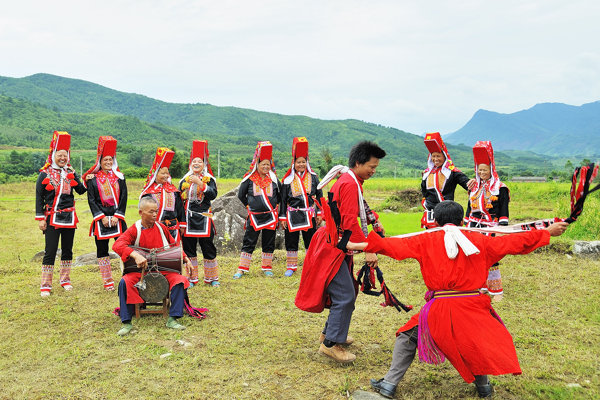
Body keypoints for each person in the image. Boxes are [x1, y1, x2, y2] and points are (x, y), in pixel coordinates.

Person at [344, 201, 568, 398]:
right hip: (474, 307)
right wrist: (546, 232)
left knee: (407, 337)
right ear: (461, 219)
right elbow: (515, 242)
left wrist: (354, 246)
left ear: (436, 221)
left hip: (440, 309)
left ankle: (390, 384)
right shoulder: (481, 241)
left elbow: (390, 245)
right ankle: (484, 387)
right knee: (474, 342)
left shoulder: (425, 240)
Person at [295, 141, 387, 363]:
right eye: (371, 167)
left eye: (376, 167)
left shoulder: (352, 180)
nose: (373, 171)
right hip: (332, 246)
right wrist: (369, 248)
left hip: (333, 242)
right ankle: (330, 345)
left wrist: (370, 231)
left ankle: (330, 333)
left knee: (346, 292)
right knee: (345, 295)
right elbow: (348, 223)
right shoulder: (348, 183)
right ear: (358, 163)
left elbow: (356, 213)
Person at [112, 196, 193, 336]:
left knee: (180, 280)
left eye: (156, 211)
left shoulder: (161, 227)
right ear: (140, 212)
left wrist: (185, 258)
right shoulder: (134, 230)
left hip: (162, 269)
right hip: (140, 271)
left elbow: (174, 245)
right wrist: (135, 255)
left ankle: (173, 318)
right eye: (151, 212)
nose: (155, 214)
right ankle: (126, 322)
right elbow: (117, 245)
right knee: (124, 282)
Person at [35, 131, 87, 297]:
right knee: (50, 250)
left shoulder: (69, 172)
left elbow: (80, 190)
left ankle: (65, 280)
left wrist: (84, 177)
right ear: (53, 155)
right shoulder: (45, 174)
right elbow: (39, 197)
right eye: (60, 155)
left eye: (65, 155)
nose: (63, 158)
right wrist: (41, 218)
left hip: (69, 217)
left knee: (67, 250)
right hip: (52, 217)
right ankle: (45, 285)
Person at [465, 141, 510, 300]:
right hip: (473, 226)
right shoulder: (474, 186)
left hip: (490, 226)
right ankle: (480, 286)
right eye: (479, 169)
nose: (482, 172)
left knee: (491, 257)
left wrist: (502, 226)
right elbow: (469, 206)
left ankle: (496, 291)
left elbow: (504, 208)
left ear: (491, 169)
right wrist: (465, 223)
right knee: (474, 256)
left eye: (485, 169)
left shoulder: (500, 187)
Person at [83, 136, 128, 291]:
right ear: (99, 162)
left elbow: (124, 197)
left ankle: (127, 277)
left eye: (110, 160)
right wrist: (101, 217)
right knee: (102, 250)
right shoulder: (93, 180)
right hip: (100, 218)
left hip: (117, 217)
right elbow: (91, 200)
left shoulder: (120, 178)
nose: (108, 162)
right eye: (105, 160)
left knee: (124, 246)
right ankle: (107, 281)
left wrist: (117, 216)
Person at [234, 141, 281, 278]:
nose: (266, 167)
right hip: (254, 216)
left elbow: (280, 196)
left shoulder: (273, 179)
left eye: (268, 164)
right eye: (263, 164)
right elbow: (241, 195)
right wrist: (249, 206)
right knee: (249, 241)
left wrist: (274, 206)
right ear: (257, 165)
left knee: (268, 241)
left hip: (270, 216)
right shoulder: (249, 180)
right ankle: (242, 268)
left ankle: (267, 267)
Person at [279, 137, 323, 277]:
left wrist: (321, 213)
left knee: (310, 241)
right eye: (299, 162)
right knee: (291, 240)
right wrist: (282, 217)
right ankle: (291, 267)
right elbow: (283, 199)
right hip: (292, 214)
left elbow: (320, 196)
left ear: (307, 163)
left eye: (304, 162)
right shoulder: (288, 179)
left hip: (309, 214)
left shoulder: (314, 177)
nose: (301, 164)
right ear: (294, 163)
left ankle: (311, 265)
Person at [179, 140, 219, 287]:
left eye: (200, 162)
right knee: (189, 248)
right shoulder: (184, 180)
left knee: (208, 246)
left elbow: (213, 195)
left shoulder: (210, 179)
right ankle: (191, 278)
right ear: (190, 164)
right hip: (188, 217)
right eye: (194, 161)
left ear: (204, 164)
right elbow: (180, 200)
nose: (196, 164)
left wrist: (201, 183)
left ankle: (212, 278)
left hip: (205, 217)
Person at [420, 132, 475, 229]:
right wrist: (426, 204)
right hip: (431, 214)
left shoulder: (452, 172)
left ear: (444, 157)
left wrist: (474, 181)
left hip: (447, 213)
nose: (436, 159)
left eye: (438, 156)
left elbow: (467, 184)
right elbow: (424, 191)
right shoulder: (427, 173)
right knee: (431, 240)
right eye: (433, 156)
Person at [140, 147, 185, 242]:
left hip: (172, 228)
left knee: (172, 251)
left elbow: (180, 208)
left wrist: (182, 225)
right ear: (155, 174)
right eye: (162, 173)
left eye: (167, 173)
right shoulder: (148, 193)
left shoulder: (173, 190)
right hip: (154, 227)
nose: (166, 176)